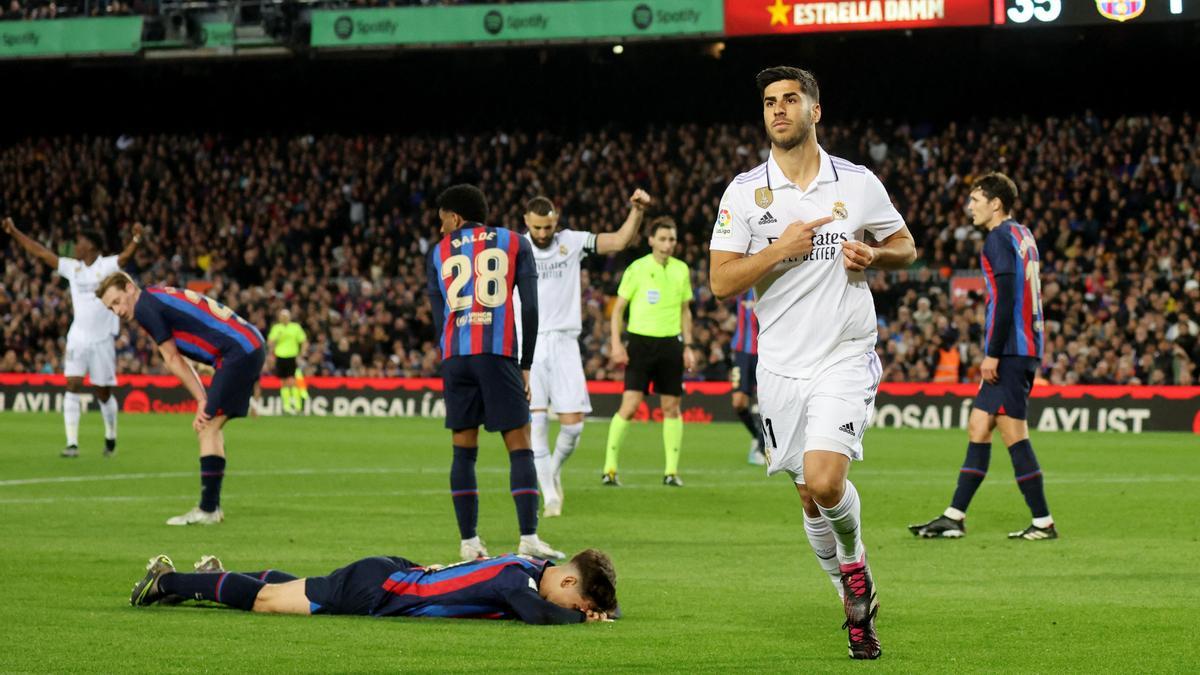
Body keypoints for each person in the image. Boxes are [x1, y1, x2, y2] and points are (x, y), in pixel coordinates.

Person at [707, 66, 916, 660]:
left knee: (828, 481)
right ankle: (854, 599)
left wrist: (873, 253)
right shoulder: (745, 192)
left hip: (844, 354)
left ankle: (855, 568)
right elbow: (721, 281)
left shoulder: (856, 182)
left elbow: (907, 246)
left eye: (790, 100)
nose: (778, 109)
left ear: (814, 111)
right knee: (808, 497)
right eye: (770, 102)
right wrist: (781, 248)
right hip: (779, 367)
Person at [908, 173, 1056, 541]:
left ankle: (1043, 522)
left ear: (996, 203)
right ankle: (954, 516)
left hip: (1010, 350)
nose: (970, 206)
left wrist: (992, 354)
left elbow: (1005, 298)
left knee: (1014, 434)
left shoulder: (998, 238)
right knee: (979, 426)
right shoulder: (1023, 235)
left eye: (976, 199)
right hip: (1023, 346)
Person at [425, 184, 564, 562]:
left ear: (455, 218)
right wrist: (526, 365)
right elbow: (531, 308)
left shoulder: (437, 252)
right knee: (520, 445)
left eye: (443, 222)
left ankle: (469, 543)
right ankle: (529, 538)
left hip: (456, 356)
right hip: (497, 351)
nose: (441, 230)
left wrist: (449, 357)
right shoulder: (514, 242)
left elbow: (439, 319)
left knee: (463, 451)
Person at [95, 272, 266, 525]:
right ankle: (211, 508)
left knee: (206, 426)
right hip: (247, 345)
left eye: (117, 301)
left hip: (237, 351)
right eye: (111, 308)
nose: (117, 311)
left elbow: (173, 358)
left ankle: (208, 510)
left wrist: (200, 400)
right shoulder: (155, 297)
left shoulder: (144, 307)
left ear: (130, 288)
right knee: (211, 427)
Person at [521, 190, 652, 518]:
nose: (541, 234)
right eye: (536, 228)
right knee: (535, 422)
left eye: (547, 228)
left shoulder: (572, 242)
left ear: (556, 223)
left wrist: (636, 211)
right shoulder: (515, 248)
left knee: (573, 426)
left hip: (565, 342)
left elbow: (620, 241)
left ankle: (551, 470)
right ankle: (549, 495)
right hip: (530, 345)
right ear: (527, 223)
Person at [129, 548, 617, 625]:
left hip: (390, 579)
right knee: (267, 603)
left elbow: (536, 603)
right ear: (568, 580)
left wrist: (597, 612)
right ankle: (169, 579)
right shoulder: (519, 580)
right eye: (578, 600)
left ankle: (213, 575)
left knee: (298, 588)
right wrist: (577, 618)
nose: (573, 607)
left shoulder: (531, 565)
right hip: (381, 589)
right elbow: (533, 611)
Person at [3, 217, 142, 458]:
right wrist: (14, 232)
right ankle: (72, 443)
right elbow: (40, 252)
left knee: (103, 392)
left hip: (102, 339)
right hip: (78, 337)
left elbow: (125, 258)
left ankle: (110, 437)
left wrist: (137, 239)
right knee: (73, 384)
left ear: (91, 246)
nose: (75, 246)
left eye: (79, 242)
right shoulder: (73, 268)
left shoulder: (106, 266)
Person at [603, 217, 697, 487]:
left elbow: (685, 311)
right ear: (651, 240)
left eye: (673, 239)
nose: (669, 244)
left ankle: (670, 472)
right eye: (664, 239)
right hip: (641, 344)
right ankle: (609, 468)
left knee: (671, 407)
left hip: (670, 344)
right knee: (630, 406)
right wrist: (617, 343)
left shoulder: (681, 270)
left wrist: (688, 346)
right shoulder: (637, 268)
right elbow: (618, 309)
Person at [729, 288, 766, 465]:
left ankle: (761, 446)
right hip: (742, 352)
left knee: (767, 402)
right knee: (738, 403)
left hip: (766, 351)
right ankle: (757, 437)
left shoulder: (772, 281)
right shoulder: (742, 287)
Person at [267, 309, 308, 415]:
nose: (284, 318)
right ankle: (286, 407)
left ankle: (297, 406)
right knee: (283, 382)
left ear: (289, 317)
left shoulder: (295, 327)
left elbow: (303, 341)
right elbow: (270, 341)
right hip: (280, 356)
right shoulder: (276, 328)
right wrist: (271, 351)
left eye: (286, 316)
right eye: (282, 316)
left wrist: (302, 353)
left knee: (292, 380)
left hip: (291, 356)